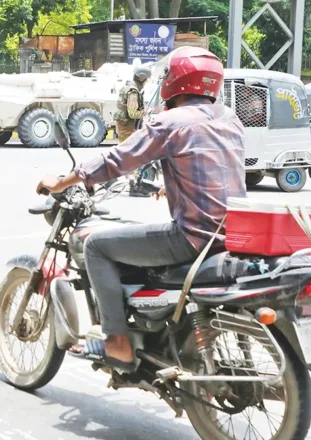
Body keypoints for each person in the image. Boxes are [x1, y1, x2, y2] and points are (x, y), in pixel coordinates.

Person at [38, 47, 246, 371]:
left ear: (173, 81)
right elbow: (215, 164)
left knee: (96, 246)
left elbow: (117, 159)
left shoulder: (169, 122)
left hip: (193, 236)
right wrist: (175, 184)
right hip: (232, 232)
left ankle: (118, 342)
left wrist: (63, 181)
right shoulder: (228, 117)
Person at [113, 64, 153, 197]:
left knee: (127, 155)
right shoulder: (133, 91)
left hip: (125, 125)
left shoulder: (129, 86)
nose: (147, 81)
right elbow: (132, 113)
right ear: (142, 78)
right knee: (131, 155)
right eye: (147, 78)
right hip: (126, 125)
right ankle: (133, 187)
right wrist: (145, 111)